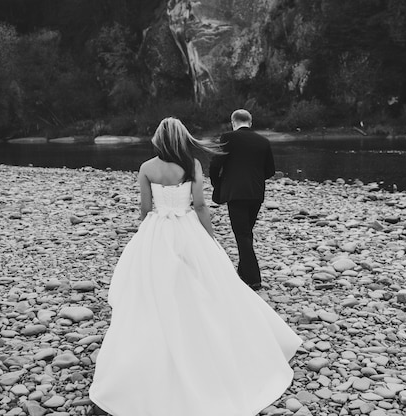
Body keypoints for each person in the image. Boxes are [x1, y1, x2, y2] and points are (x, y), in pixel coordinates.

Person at [89, 117, 301, 416]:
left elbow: (145, 208)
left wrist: (144, 232)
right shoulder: (191, 166)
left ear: (158, 139)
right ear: (182, 138)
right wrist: (210, 238)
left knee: (153, 289)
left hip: (157, 230)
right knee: (208, 286)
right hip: (187, 228)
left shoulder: (147, 168)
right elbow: (200, 205)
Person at [209, 109, 275, 291]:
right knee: (246, 234)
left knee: (242, 235)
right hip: (256, 193)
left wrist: (219, 184)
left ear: (233, 122)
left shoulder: (228, 137)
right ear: (250, 122)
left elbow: (215, 164)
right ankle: (243, 273)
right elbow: (270, 170)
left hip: (236, 194)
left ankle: (254, 279)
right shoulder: (264, 141)